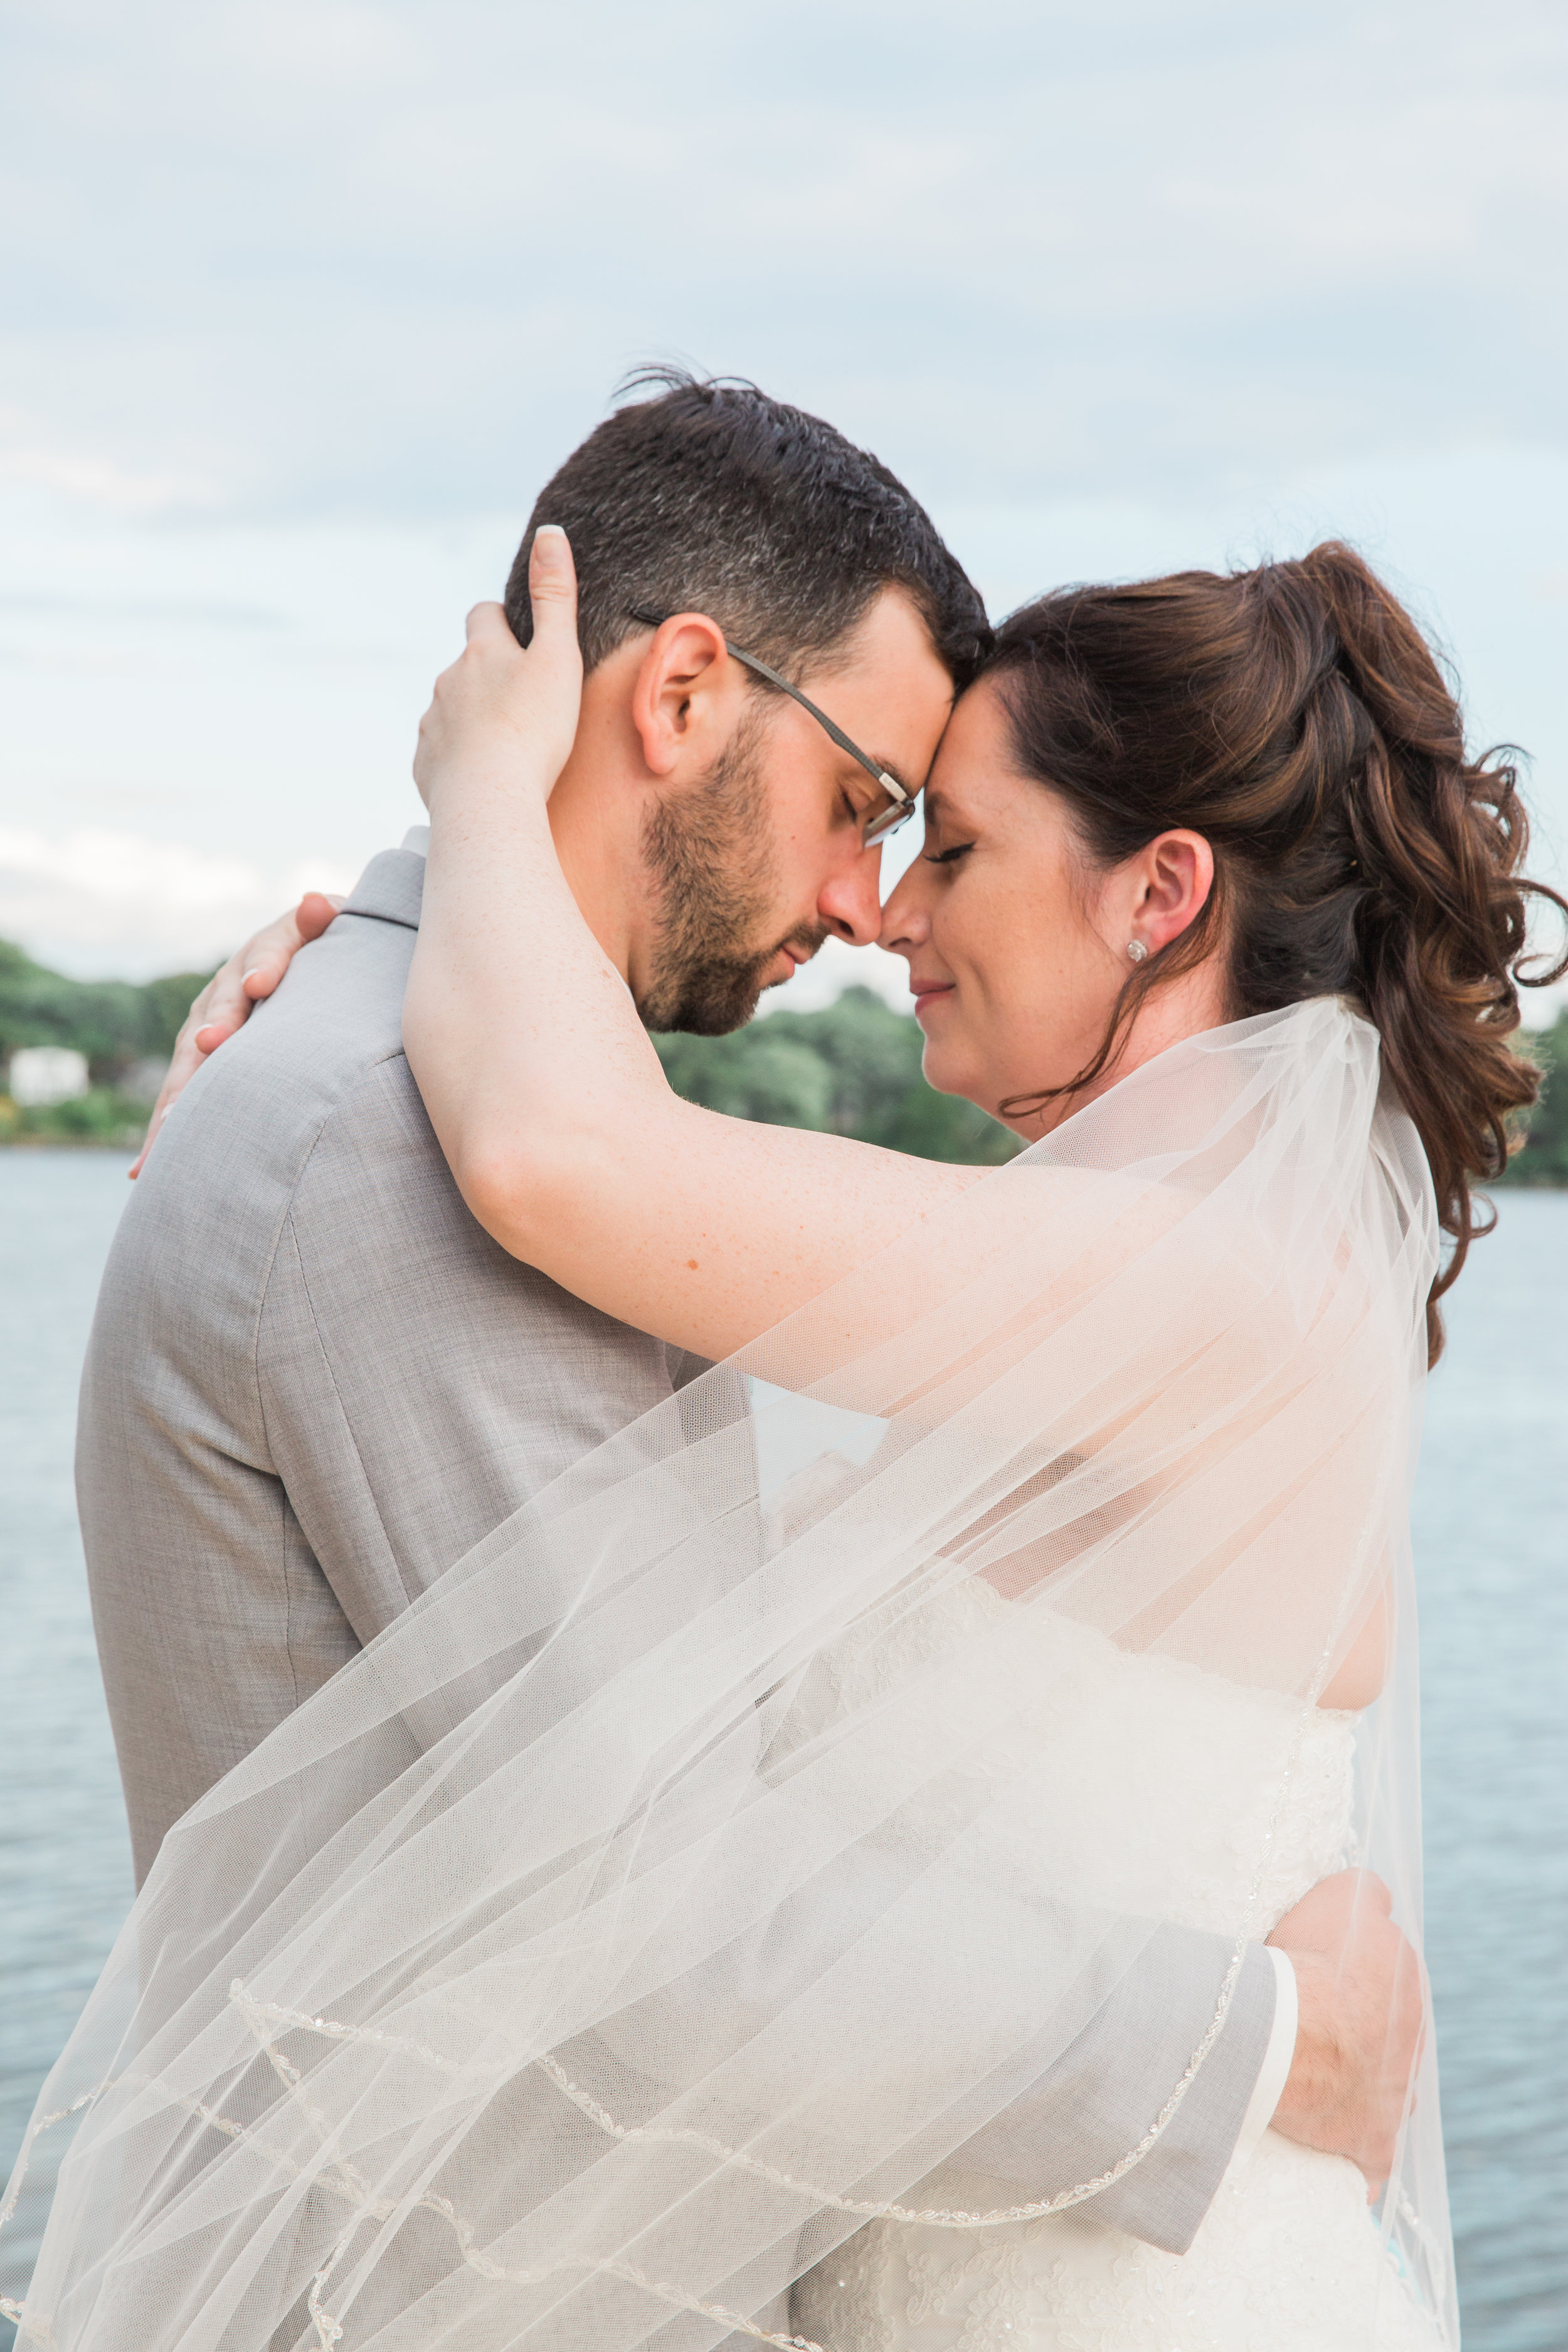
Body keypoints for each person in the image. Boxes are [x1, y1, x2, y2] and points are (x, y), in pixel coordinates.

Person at [18, 406, 1540, 2348]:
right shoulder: (384, 1138)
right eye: (874, 809)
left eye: (947, 842)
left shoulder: (1197, 1278)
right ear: (676, 698)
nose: (876, 905)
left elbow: (576, 1171)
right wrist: (1255, 2041)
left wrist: (459, 830)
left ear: (1156, 898)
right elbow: (667, 1899)